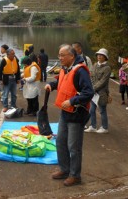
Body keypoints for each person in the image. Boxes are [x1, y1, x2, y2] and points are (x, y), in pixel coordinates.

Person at [45, 44, 94, 186]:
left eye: (62, 55)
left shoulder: (80, 71)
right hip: (65, 113)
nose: (59, 58)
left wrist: (72, 101)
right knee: (60, 142)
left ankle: (75, 175)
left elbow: (88, 92)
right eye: (59, 55)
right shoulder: (66, 68)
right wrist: (52, 85)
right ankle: (65, 169)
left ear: (71, 56)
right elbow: (62, 81)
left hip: (76, 114)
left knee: (74, 147)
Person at [85, 48, 111, 134]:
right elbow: (91, 76)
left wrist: (93, 88)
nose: (99, 56)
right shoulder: (95, 65)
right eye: (98, 55)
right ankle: (93, 126)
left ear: (105, 57)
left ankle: (105, 127)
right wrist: (92, 87)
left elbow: (103, 81)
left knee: (102, 110)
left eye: (101, 55)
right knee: (91, 110)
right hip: (94, 92)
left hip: (102, 92)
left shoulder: (107, 68)